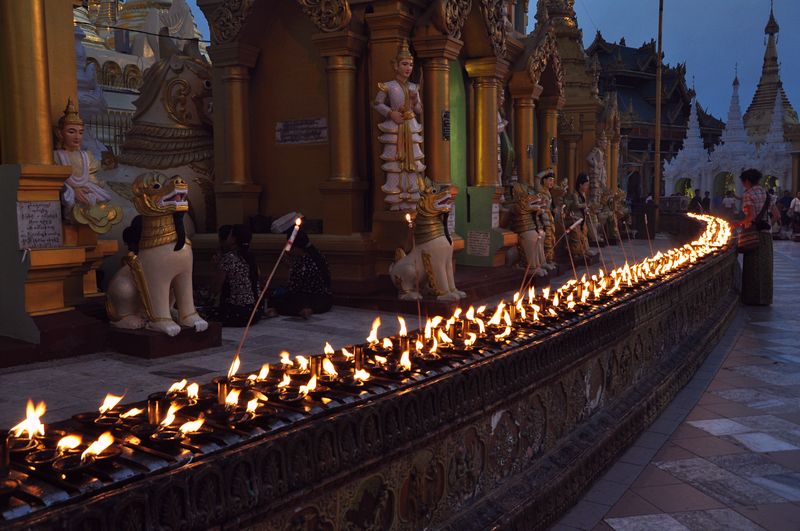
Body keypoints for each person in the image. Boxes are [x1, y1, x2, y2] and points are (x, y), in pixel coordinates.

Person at [53, 98, 122, 234]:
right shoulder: (57, 156)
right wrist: (73, 189)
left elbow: (91, 176)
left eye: (80, 132)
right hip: (68, 193)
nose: (77, 136)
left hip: (87, 191)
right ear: (60, 133)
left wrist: (87, 187)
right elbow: (55, 180)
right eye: (71, 132)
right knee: (69, 198)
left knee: (99, 199)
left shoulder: (86, 155)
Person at [373, 40, 425, 211]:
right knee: (395, 163)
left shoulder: (413, 87)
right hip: (396, 126)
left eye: (410, 64)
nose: (408, 68)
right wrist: (390, 113)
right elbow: (377, 103)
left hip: (410, 125)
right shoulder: (388, 86)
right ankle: (395, 199)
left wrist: (415, 99)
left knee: (412, 165)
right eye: (404, 64)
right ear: (395, 66)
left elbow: (418, 109)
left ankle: (411, 199)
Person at [266, 228, 332, 319]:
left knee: (278, 298)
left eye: (292, 248)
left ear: (297, 247)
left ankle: (304, 310)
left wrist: (291, 268)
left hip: (309, 297)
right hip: (324, 299)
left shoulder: (304, 261)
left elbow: (293, 287)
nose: (291, 251)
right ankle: (308, 309)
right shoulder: (318, 254)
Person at [207, 224, 263, 327]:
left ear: (233, 239)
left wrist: (216, 267)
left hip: (238, 314)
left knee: (204, 313)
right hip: (254, 312)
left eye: (230, 235)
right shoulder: (250, 257)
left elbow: (215, 289)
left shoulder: (228, 258)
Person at [733, 169, 772, 306]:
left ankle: (752, 298)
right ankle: (765, 298)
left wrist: (736, 224)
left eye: (743, 182)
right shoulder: (766, 193)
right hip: (767, 235)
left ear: (747, 181)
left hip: (754, 235)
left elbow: (751, 217)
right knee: (765, 267)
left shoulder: (748, 194)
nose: (743, 185)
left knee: (753, 267)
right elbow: (777, 215)